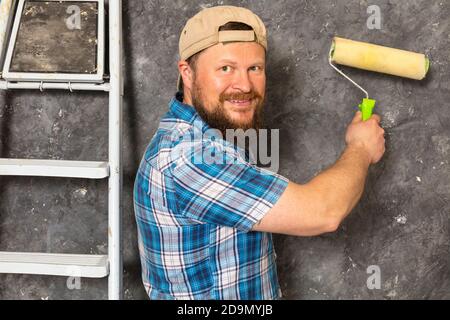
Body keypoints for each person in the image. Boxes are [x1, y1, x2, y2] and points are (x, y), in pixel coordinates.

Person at [133, 5, 385, 300]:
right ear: (187, 74)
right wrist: (361, 148)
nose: (244, 85)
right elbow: (322, 212)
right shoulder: (189, 157)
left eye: (255, 68)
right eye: (225, 68)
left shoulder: (210, 135)